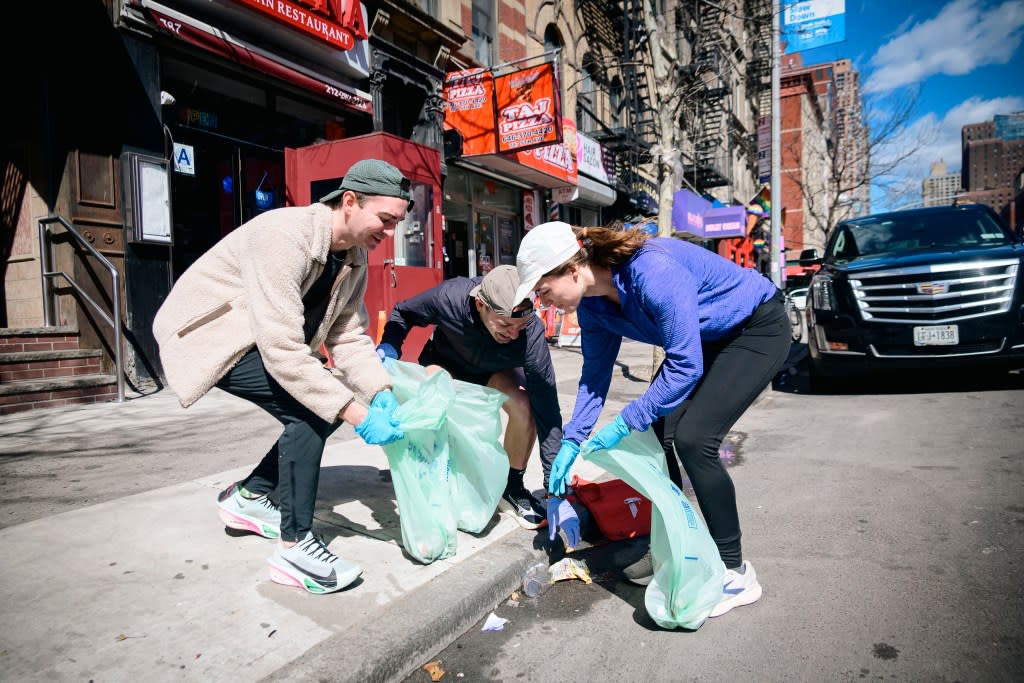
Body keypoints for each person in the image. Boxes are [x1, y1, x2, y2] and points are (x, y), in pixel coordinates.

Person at [153, 159, 411, 595]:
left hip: (262, 340)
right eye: (385, 220)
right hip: (209, 336)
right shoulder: (283, 235)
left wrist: (378, 392)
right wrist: (357, 413)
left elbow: (348, 334)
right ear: (349, 201)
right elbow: (283, 350)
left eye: (397, 223)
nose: (388, 232)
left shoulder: (354, 257)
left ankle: (250, 496)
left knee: (322, 408)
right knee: (313, 411)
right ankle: (295, 548)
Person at [514, 220, 791, 618]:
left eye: (544, 290)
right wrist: (572, 441)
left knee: (695, 440)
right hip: (705, 341)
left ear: (571, 269)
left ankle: (735, 571)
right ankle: (679, 549)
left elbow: (684, 366)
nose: (546, 302)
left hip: (754, 328)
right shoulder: (592, 306)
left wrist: (627, 421)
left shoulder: (651, 271)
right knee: (658, 442)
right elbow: (594, 377)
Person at [376, 265, 562, 532]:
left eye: (519, 327)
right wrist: (390, 347)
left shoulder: (530, 332)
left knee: (527, 407)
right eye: (506, 324)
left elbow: (547, 406)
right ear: (480, 304)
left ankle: (510, 487)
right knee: (435, 396)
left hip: (496, 370)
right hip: (446, 364)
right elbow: (403, 312)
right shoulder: (450, 297)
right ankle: (437, 478)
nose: (513, 334)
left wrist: (554, 484)